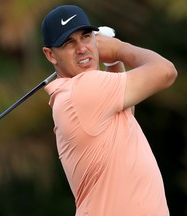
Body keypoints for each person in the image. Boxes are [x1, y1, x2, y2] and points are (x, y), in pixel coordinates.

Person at [41, 5, 177, 216]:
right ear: (51, 55)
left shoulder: (81, 94)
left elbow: (124, 114)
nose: (81, 48)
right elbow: (166, 71)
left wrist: (113, 61)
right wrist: (117, 48)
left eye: (86, 37)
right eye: (68, 43)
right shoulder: (83, 89)